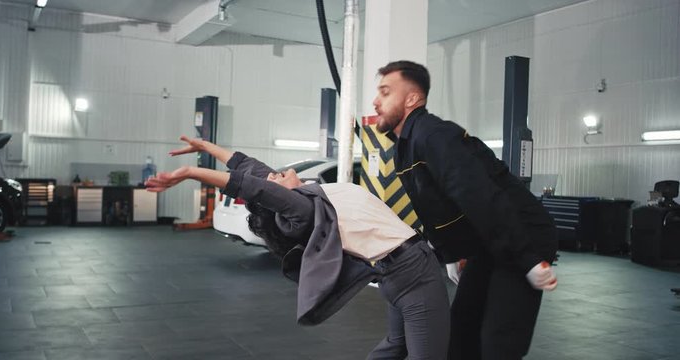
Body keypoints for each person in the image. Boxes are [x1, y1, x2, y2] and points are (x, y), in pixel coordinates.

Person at [145, 136, 450, 360]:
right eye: (275, 181)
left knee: (396, 346)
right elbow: (255, 187)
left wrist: (206, 147)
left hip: (399, 270)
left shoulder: (306, 193)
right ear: (281, 203)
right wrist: (190, 173)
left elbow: (249, 169)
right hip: (412, 274)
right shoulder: (302, 209)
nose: (275, 174)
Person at [371, 60, 558, 360]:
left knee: (498, 343)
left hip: (522, 234)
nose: (375, 101)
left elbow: (480, 196)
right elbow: (431, 207)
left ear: (411, 99)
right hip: (487, 241)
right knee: (460, 331)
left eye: (385, 92)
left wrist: (528, 259)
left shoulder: (434, 136)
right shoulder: (404, 147)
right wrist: (452, 253)